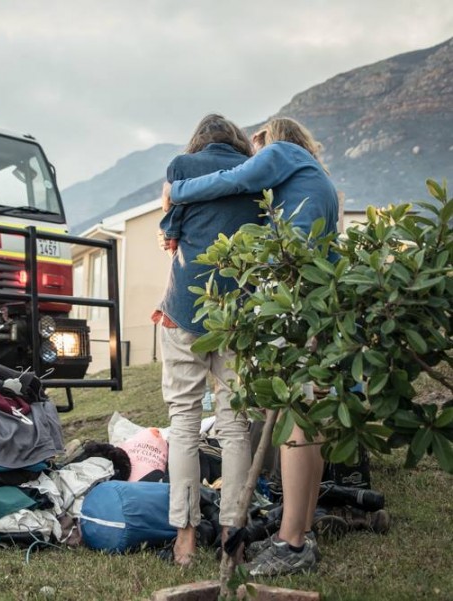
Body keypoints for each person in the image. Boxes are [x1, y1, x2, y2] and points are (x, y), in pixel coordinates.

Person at [167, 117, 339, 576]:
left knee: (283, 418)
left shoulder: (277, 157)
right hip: (312, 302)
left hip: (278, 303)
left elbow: (227, 184)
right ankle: (262, 532)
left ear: (268, 141)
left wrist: (177, 191)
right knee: (260, 422)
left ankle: (283, 540)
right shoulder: (312, 181)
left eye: (257, 147)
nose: (253, 157)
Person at [153, 114, 261, 566]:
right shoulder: (257, 172)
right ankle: (233, 539)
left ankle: (185, 541)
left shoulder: (183, 166)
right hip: (237, 314)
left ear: (198, 142)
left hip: (185, 309)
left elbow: (171, 232)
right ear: (238, 141)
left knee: (183, 423)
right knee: (235, 426)